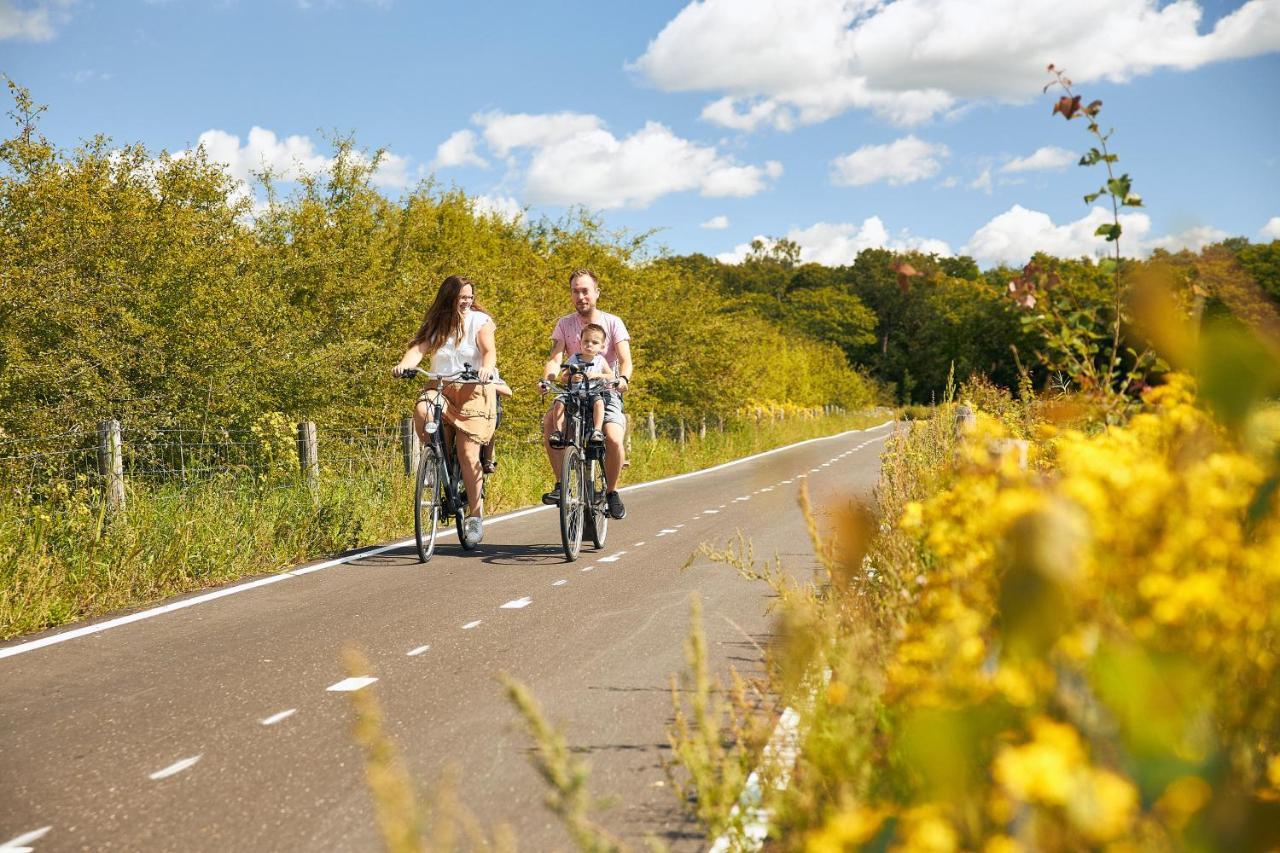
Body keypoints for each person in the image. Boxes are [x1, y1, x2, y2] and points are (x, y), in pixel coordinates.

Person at [391, 275, 497, 546]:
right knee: (423, 408)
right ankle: (434, 463)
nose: (467, 302)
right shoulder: (437, 324)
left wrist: (486, 367)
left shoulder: (479, 321)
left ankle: (475, 516)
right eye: (462, 297)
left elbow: (488, 350)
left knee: (467, 452)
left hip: (474, 389)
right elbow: (418, 348)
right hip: (441, 387)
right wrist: (405, 364)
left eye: (469, 297)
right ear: (449, 298)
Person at [540, 269, 632, 518]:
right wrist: (548, 380)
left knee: (612, 438)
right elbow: (555, 357)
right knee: (550, 421)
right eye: (575, 291)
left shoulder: (613, 322)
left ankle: (612, 491)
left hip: (605, 391)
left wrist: (622, 379)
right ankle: (561, 484)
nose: (581, 296)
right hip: (575, 390)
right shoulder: (564, 323)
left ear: (596, 293)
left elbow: (625, 360)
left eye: (585, 291)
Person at [546, 323, 614, 447]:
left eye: (595, 342)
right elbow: (563, 377)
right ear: (580, 342)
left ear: (602, 346)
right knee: (559, 402)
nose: (589, 345)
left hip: (592, 392)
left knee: (599, 402)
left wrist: (598, 375)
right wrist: (571, 378)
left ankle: (597, 431)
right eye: (586, 341)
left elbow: (611, 376)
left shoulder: (600, 361)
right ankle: (558, 432)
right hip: (573, 392)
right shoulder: (574, 358)